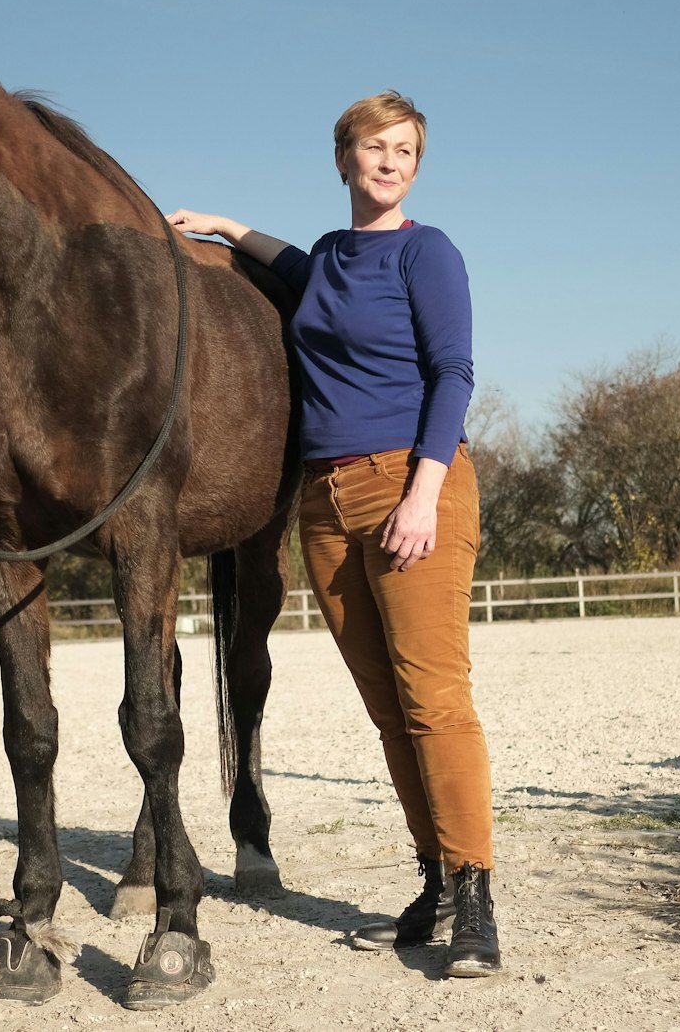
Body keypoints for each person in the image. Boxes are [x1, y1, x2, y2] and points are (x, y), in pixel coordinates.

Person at [166, 90, 500, 978]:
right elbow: (292, 264)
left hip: (411, 483)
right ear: (343, 156)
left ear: (415, 165)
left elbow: (455, 370)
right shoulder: (330, 259)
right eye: (373, 146)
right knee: (389, 710)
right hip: (326, 504)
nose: (390, 162)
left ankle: (474, 895)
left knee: (434, 698)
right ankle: (432, 876)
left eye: (405, 150)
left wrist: (424, 494)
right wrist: (228, 227)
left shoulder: (428, 252)